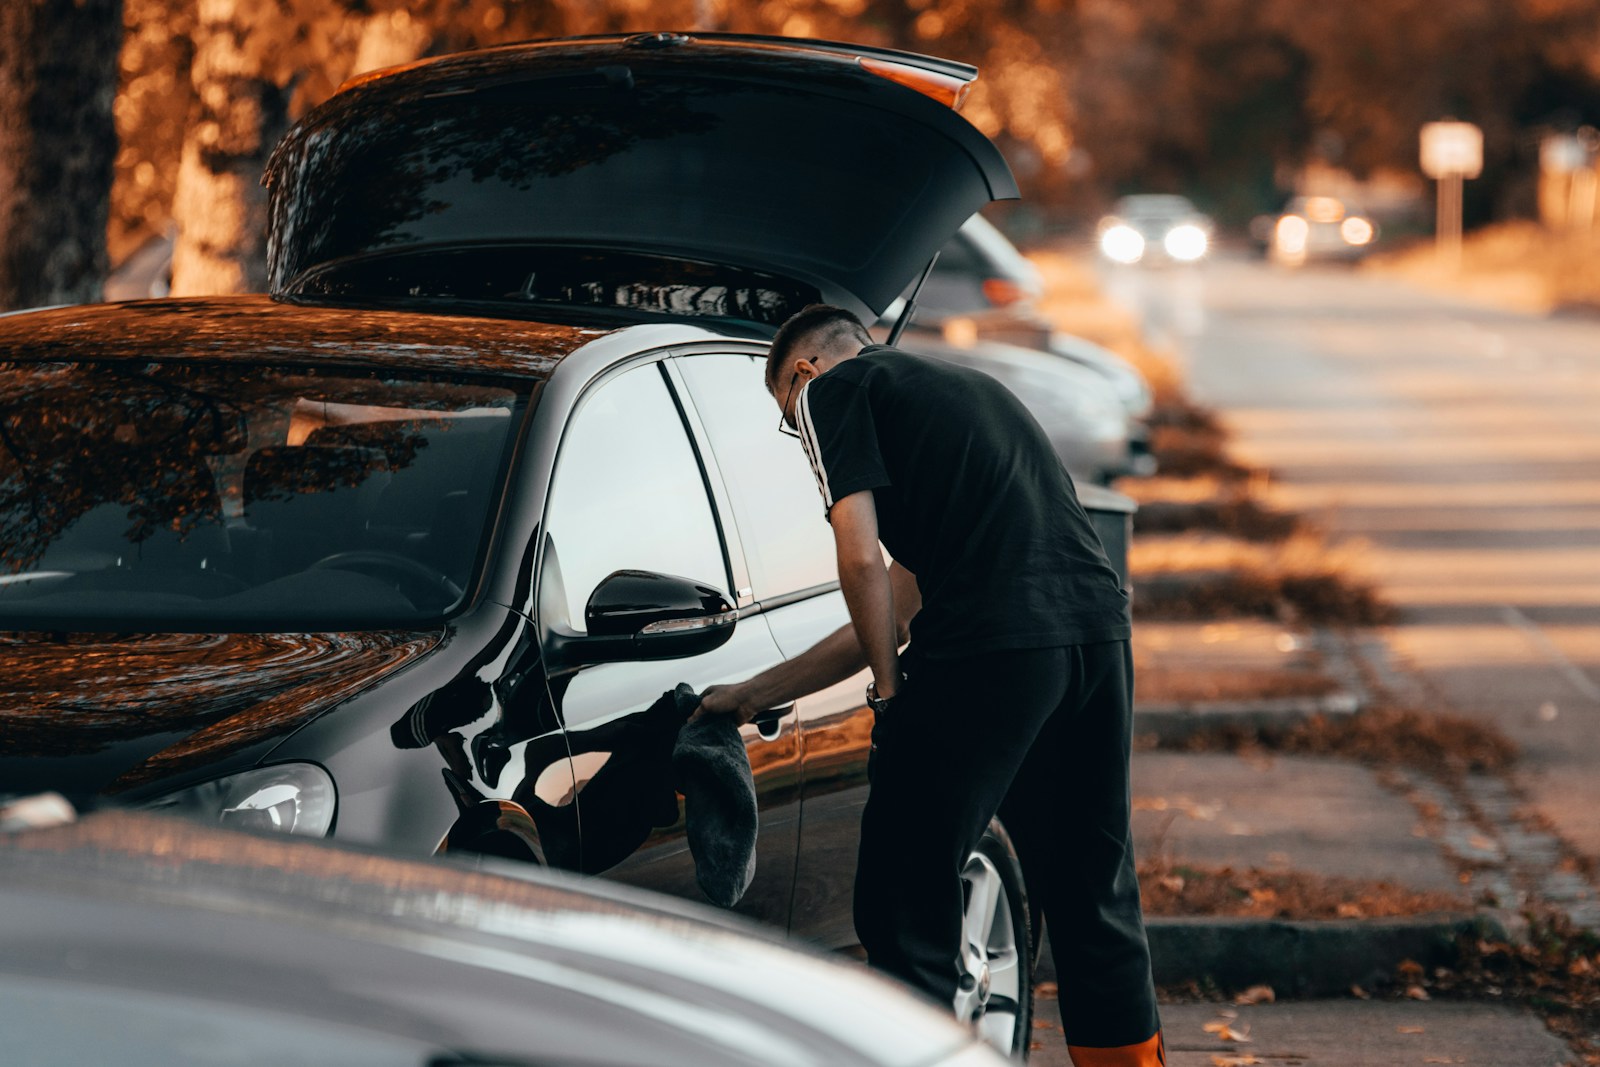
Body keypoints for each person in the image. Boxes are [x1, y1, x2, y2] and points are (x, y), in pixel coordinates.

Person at [695, 304, 1164, 1065]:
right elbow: (897, 599)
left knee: (905, 890)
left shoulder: (832, 392)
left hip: (993, 644)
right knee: (1092, 892)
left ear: (806, 372)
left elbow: (857, 557)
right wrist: (757, 691)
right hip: (1095, 637)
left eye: (787, 409)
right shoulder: (963, 396)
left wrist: (888, 691)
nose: (799, 428)